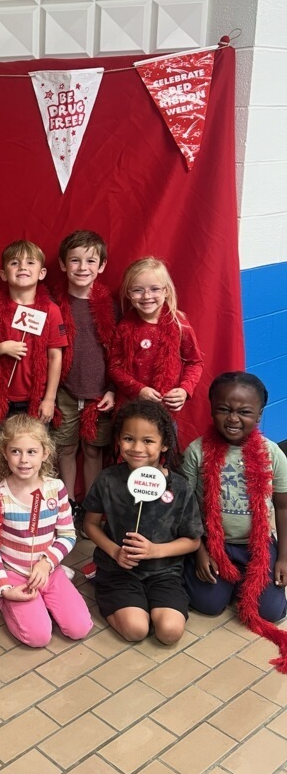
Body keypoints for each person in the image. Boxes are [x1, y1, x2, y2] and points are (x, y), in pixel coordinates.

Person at [182, 372, 287, 667]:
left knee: (271, 612)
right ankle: (220, 580)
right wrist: (200, 551)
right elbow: (187, 508)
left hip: (257, 545)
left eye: (244, 412)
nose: (233, 419)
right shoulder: (196, 451)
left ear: (259, 415)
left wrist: (283, 559)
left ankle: (242, 579)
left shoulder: (272, 454)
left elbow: (283, 507)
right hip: (212, 544)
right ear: (212, 407)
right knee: (208, 605)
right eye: (224, 409)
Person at [83, 399, 202, 646]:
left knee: (169, 632)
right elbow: (90, 525)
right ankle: (113, 593)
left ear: (165, 444)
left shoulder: (178, 487)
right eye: (128, 438)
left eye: (148, 441)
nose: (137, 447)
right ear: (118, 439)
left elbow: (192, 540)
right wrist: (115, 551)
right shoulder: (108, 479)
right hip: (118, 570)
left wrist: (156, 550)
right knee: (136, 630)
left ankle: (147, 605)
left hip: (164, 572)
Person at [0, 414, 91, 647]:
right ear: (4, 453)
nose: (24, 460)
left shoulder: (56, 489)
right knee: (38, 638)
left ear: (45, 453)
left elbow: (67, 535)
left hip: (49, 571)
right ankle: (4, 602)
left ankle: (47, 599)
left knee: (79, 628)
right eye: (15, 451)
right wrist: (4, 588)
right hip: (14, 574)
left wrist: (47, 563)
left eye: (31, 452)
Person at [53, 231, 118, 504]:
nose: (82, 268)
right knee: (65, 448)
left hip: (99, 394)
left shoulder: (110, 306)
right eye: (75, 260)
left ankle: (90, 506)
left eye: (90, 261)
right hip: (64, 392)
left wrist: (113, 389)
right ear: (63, 264)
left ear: (101, 266)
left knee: (93, 451)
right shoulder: (54, 305)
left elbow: (119, 352)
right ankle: (67, 506)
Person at [0, 240, 67, 428]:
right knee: (0, 451)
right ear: (3, 274)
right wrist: (1, 348)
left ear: (42, 273)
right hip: (0, 398)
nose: (22, 267)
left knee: (35, 451)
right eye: (14, 262)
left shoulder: (51, 310)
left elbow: (55, 356)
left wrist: (50, 399)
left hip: (37, 398)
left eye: (30, 262)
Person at [109, 257, 202, 417]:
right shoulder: (124, 327)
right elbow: (115, 367)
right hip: (131, 408)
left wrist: (185, 389)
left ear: (165, 291)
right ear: (128, 294)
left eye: (154, 289)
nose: (146, 296)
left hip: (165, 411)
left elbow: (195, 363)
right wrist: (139, 390)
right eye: (138, 290)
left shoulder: (180, 325)